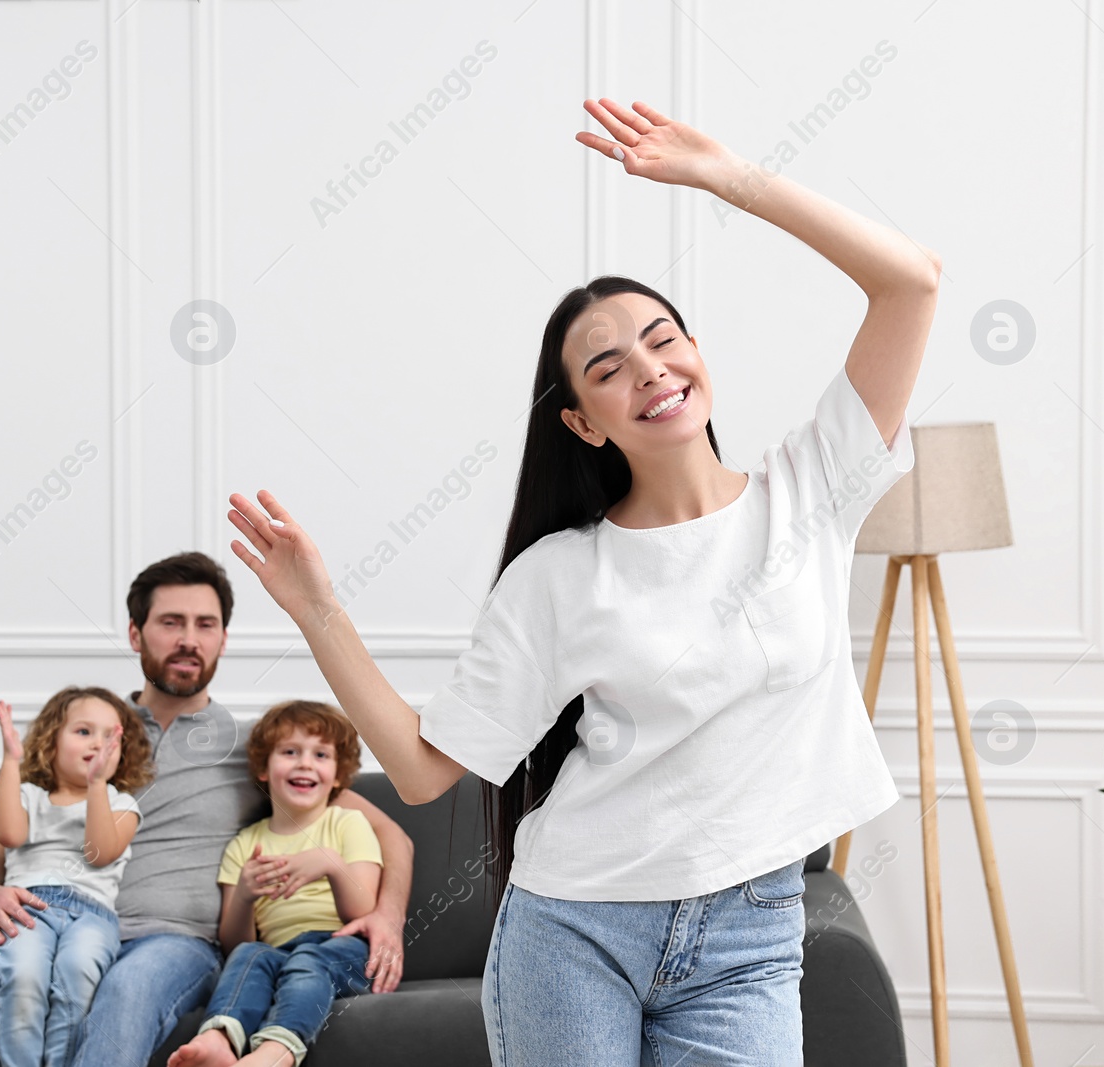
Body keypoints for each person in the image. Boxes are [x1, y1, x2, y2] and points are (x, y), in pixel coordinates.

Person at [224, 98, 939, 1065]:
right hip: (576, 929)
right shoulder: (563, 572)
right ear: (584, 422)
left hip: (751, 935)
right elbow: (430, 768)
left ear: (697, 356)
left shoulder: (811, 490)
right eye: (609, 367)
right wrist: (317, 608)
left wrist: (729, 177)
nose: (649, 367)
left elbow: (910, 283)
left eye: (662, 336)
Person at [0, 552, 417, 1067]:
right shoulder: (89, 734)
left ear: (222, 640)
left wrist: (388, 917)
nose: (188, 640)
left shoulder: (258, 753)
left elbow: (391, 833)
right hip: (56, 926)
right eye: (171, 623)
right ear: (136, 634)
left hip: (171, 943)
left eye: (205, 625)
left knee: (125, 993)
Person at [168, 700, 383, 1067]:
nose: (305, 763)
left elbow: (362, 910)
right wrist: (246, 897)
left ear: (337, 774)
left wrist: (330, 863)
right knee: (250, 957)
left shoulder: (347, 823)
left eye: (320, 754)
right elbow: (237, 942)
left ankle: (278, 1052)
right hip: (276, 949)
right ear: (264, 769)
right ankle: (220, 1038)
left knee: (308, 959)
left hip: (344, 948)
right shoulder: (245, 844)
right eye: (289, 752)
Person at [0, 687, 148, 1067]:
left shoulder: (122, 804)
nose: (98, 743)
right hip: (28, 906)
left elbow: (99, 852)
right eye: (83, 732)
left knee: (76, 976)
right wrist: (11, 761)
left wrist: (96, 785)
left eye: (110, 736)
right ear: (51, 742)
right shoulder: (29, 796)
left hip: (91, 914)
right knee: (23, 977)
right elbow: (7, 834)